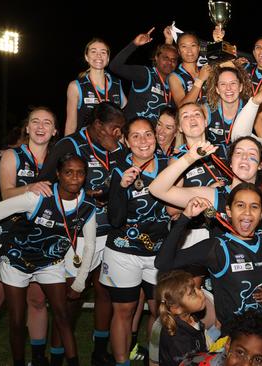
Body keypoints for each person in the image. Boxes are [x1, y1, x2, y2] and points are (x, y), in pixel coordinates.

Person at [0, 153, 97, 366]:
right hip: (17, 259)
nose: (74, 178)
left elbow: (90, 246)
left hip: (49, 262)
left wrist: (80, 282)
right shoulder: (38, 197)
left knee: (62, 317)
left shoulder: (87, 205)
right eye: (68, 172)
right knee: (16, 320)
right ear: (58, 174)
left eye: (80, 173)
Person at [38, 101, 126, 366]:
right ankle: (56, 357)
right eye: (115, 129)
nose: (118, 135)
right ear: (98, 126)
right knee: (71, 299)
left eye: (121, 130)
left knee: (105, 293)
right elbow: (45, 183)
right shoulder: (70, 145)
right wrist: (81, 195)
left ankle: (99, 352)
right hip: (76, 235)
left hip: (109, 231)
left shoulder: (119, 149)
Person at [0, 107, 57, 366]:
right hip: (6, 236)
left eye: (47, 123)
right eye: (35, 122)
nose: (41, 126)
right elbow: (7, 193)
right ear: (27, 128)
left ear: (55, 131)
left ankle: (38, 358)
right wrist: (32, 187)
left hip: (42, 239)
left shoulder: (59, 159)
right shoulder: (12, 155)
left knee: (37, 300)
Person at [98, 118, 172, 364]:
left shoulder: (168, 164)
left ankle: (154, 360)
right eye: (136, 136)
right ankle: (122, 362)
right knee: (124, 311)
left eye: (148, 134)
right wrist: (120, 186)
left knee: (160, 312)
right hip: (123, 252)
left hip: (158, 254)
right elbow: (115, 219)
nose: (143, 141)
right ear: (127, 141)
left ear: (156, 137)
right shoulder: (119, 169)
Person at [155, 184, 262, 324]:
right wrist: (185, 217)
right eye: (240, 205)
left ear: (261, 213)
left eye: (254, 206)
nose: (247, 212)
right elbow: (162, 263)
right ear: (229, 211)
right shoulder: (216, 248)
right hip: (236, 338)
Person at [110, 27, 178, 121]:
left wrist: (169, 41)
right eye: (166, 58)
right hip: (135, 132)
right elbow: (115, 67)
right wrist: (134, 44)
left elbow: (165, 54)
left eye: (173, 60)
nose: (170, 62)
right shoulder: (146, 74)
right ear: (156, 58)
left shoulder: (174, 83)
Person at [179, 309, 262, 366]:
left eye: (258, 360)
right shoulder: (192, 363)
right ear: (228, 344)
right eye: (240, 352)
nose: (246, 364)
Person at [65, 38, 126, 135]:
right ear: (86, 57)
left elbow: (123, 119)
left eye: (103, 52)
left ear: (108, 58)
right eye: (93, 51)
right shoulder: (76, 86)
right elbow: (71, 124)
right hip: (86, 147)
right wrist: (67, 148)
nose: (98, 55)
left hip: (110, 146)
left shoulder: (116, 84)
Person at [156, 270, 207, 366]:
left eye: (196, 289)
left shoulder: (190, 318)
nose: (200, 292)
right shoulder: (178, 341)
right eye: (192, 293)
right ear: (176, 308)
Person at [204, 66, 252, 146]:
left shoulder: (250, 108)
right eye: (223, 84)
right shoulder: (207, 109)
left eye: (233, 83)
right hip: (213, 157)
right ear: (217, 89)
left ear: (240, 87)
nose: (228, 88)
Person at [168, 32, 210, 106]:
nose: (189, 50)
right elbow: (182, 106)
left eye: (193, 45)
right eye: (184, 46)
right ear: (178, 51)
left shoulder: (206, 70)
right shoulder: (174, 77)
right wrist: (200, 80)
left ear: (199, 48)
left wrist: (219, 41)